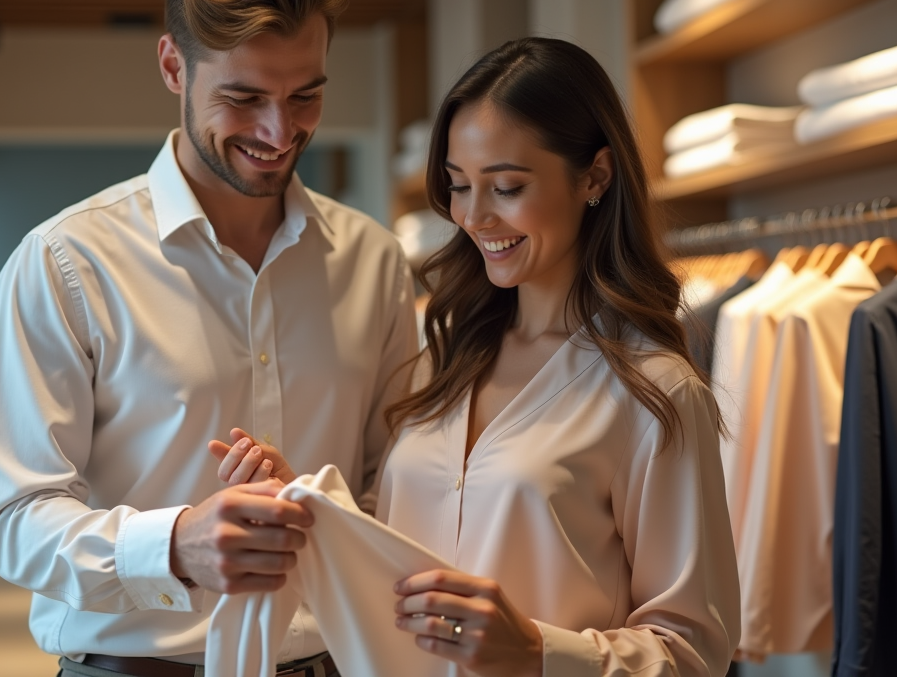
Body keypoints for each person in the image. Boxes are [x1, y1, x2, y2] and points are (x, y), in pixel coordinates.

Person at [0, 0, 419, 677]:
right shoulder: (64, 263)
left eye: (306, 96)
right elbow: (16, 519)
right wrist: (174, 544)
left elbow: (398, 488)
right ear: (173, 69)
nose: (280, 131)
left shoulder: (375, 263)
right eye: (244, 98)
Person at [214, 38, 740, 676]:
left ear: (595, 176)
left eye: (508, 187)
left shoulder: (654, 392)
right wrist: (307, 507)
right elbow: (406, 545)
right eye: (459, 187)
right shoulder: (443, 360)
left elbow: (694, 649)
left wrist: (537, 652)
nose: (474, 216)